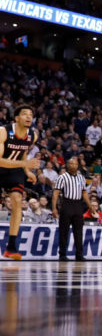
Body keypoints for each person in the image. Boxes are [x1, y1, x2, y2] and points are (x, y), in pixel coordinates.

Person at [0, 105, 40, 260]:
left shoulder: (32, 135)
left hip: (14, 169)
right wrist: (25, 165)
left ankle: (11, 247)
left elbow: (23, 152)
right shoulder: (4, 131)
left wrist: (28, 171)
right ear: (16, 118)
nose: (29, 117)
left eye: (31, 114)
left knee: (17, 201)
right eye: (25, 114)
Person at [52, 158, 90, 261]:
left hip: (78, 205)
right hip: (67, 203)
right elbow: (55, 193)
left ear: (78, 165)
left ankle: (79, 254)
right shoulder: (62, 177)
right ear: (68, 165)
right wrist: (54, 208)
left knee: (79, 232)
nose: (73, 165)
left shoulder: (81, 178)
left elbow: (84, 192)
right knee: (64, 231)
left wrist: (90, 206)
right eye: (71, 163)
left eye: (75, 164)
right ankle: (62, 254)